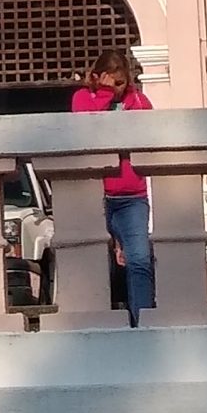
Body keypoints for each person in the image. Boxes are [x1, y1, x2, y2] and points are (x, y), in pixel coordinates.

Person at [70, 51, 154, 325]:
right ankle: (98, 322)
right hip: (96, 194)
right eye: (113, 83)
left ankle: (141, 322)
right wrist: (104, 95)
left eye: (121, 83)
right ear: (97, 77)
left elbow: (149, 130)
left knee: (139, 260)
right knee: (91, 262)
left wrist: (130, 99)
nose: (118, 90)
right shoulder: (83, 97)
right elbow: (84, 123)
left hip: (132, 196)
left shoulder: (137, 101)